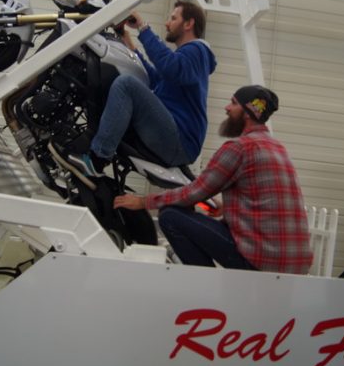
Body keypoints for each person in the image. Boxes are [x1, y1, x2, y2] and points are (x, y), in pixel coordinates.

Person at [114, 85, 312, 275]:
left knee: (170, 216)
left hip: (259, 262)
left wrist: (143, 202)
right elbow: (266, 199)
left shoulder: (239, 148)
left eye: (233, 103)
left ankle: (206, 286)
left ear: (247, 112)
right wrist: (228, 208)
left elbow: (194, 192)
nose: (227, 108)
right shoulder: (277, 148)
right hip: (295, 265)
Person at [53, 0, 216, 181]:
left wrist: (142, 27)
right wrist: (127, 41)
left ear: (188, 24)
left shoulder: (198, 51)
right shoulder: (187, 59)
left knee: (126, 84)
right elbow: (153, 80)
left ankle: (97, 160)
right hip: (174, 136)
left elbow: (170, 67)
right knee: (124, 86)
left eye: (173, 18)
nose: (167, 23)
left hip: (180, 141)